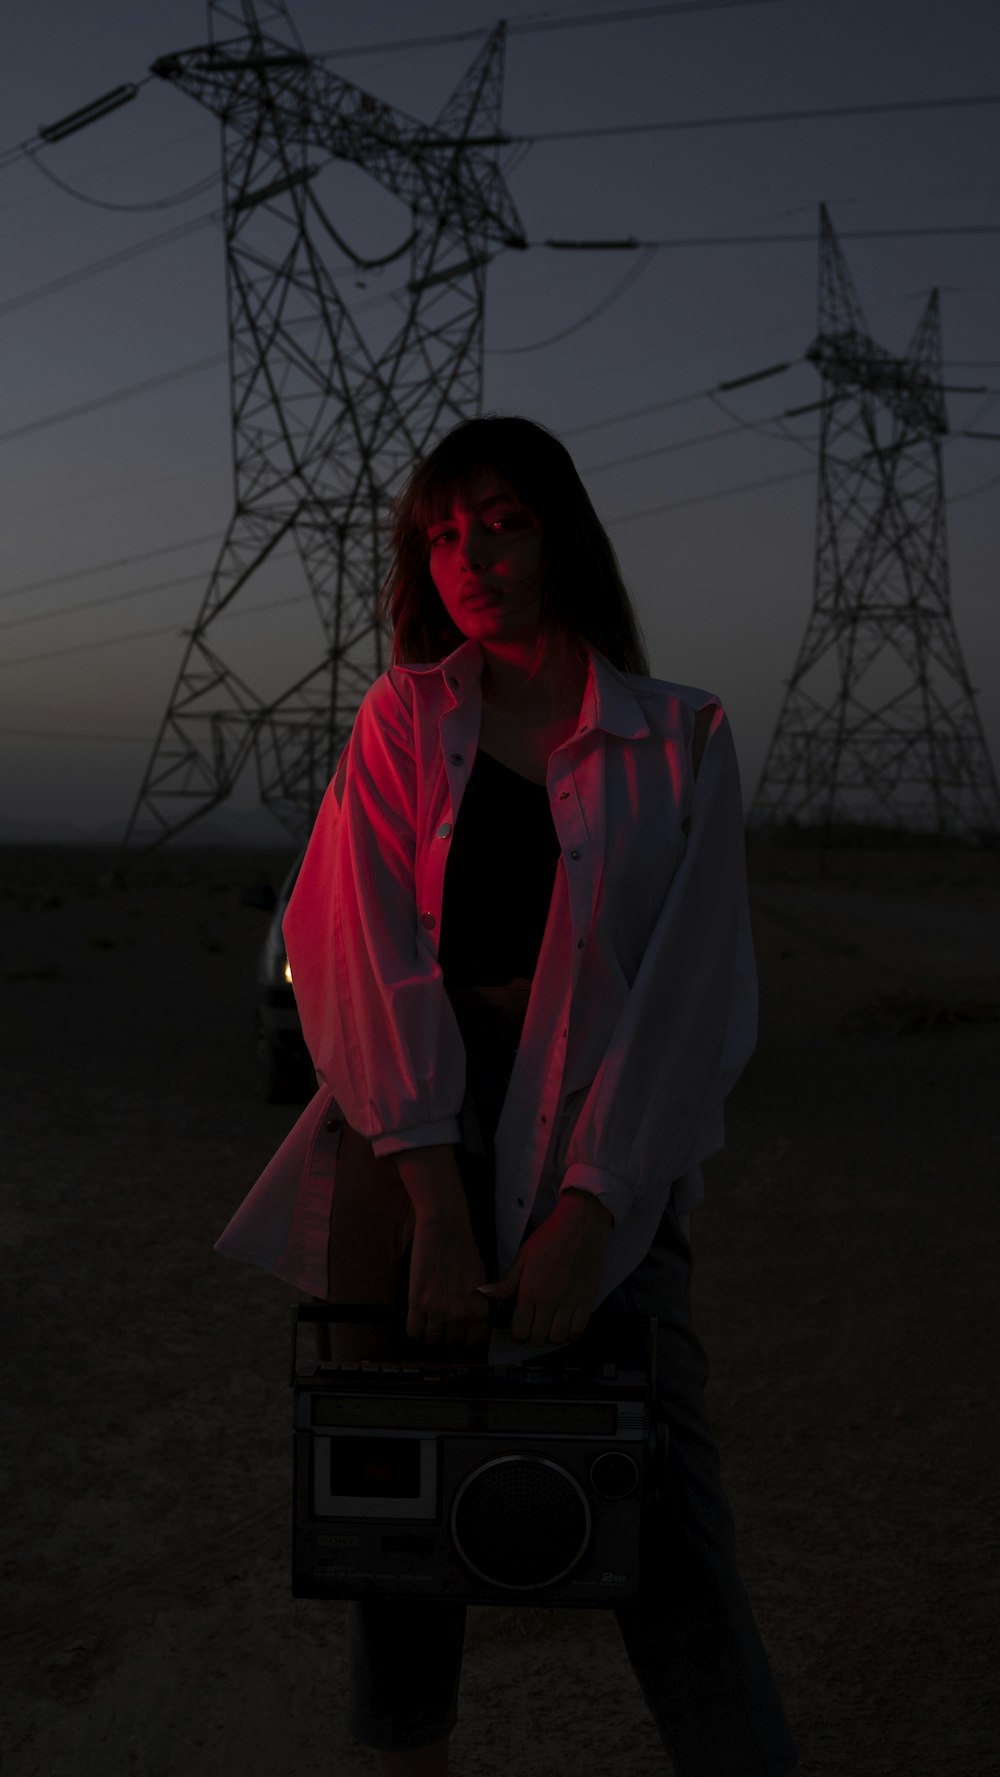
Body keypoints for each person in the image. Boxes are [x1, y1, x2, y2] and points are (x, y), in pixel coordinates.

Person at [214, 413, 799, 1776]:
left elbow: (691, 996)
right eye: (441, 530)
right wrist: (431, 1192)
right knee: (399, 1484)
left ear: (558, 532)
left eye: (500, 519)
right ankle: (406, 1745)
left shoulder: (678, 738)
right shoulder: (403, 720)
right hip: (410, 1128)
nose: (467, 551)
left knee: (654, 1479)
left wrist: (596, 1206)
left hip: (602, 1129)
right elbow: (357, 950)